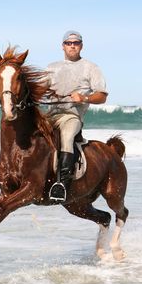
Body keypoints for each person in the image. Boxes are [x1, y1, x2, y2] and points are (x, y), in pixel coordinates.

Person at [46, 30, 108, 202]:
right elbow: (39, 90)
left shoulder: (91, 67)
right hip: (51, 115)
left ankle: (62, 186)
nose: (72, 46)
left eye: (76, 43)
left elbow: (102, 96)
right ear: (62, 46)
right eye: (68, 43)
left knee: (66, 136)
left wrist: (84, 98)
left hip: (72, 117)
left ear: (81, 45)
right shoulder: (51, 68)